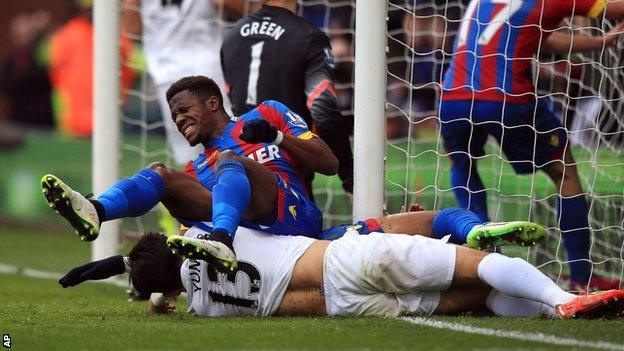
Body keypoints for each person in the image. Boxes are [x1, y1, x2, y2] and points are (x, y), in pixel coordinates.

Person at [42, 75, 338, 272]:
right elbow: (184, 246)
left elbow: (329, 163)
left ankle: (222, 240)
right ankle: (96, 210)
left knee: (228, 160)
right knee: (161, 173)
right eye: (174, 116)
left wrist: (275, 137)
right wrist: (126, 264)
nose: (179, 119)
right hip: (251, 241)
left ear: (212, 103)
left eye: (184, 109)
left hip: (296, 218)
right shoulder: (194, 171)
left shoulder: (266, 115)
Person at [60, 222, 623, 319]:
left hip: (346, 305)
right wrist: (95, 266)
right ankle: (562, 298)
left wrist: (112, 275)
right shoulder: (208, 239)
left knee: (470, 299)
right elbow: (154, 259)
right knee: (474, 266)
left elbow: (152, 289)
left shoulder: (196, 304)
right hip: (346, 259)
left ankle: (555, 306)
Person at [439, 0, 624, 290]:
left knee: (462, 164)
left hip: (453, 98)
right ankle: (580, 277)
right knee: (563, 169)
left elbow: (542, 36)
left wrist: (598, 42)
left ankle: (485, 262)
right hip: (505, 97)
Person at [220, 0, 354, 195]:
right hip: (289, 172)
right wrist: (349, 176)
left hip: (242, 168)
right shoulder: (309, 37)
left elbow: (233, 101)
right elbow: (324, 112)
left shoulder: (231, 37)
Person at [121, 0, 255, 165]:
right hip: (212, 70)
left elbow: (132, 29)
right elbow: (233, 6)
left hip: (168, 75)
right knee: (235, 146)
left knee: (195, 160)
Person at [49, 0, 135, 137]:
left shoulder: (117, 36)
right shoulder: (66, 35)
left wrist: (123, 96)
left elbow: (128, 70)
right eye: (88, 9)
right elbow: (55, 73)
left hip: (110, 117)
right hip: (72, 119)